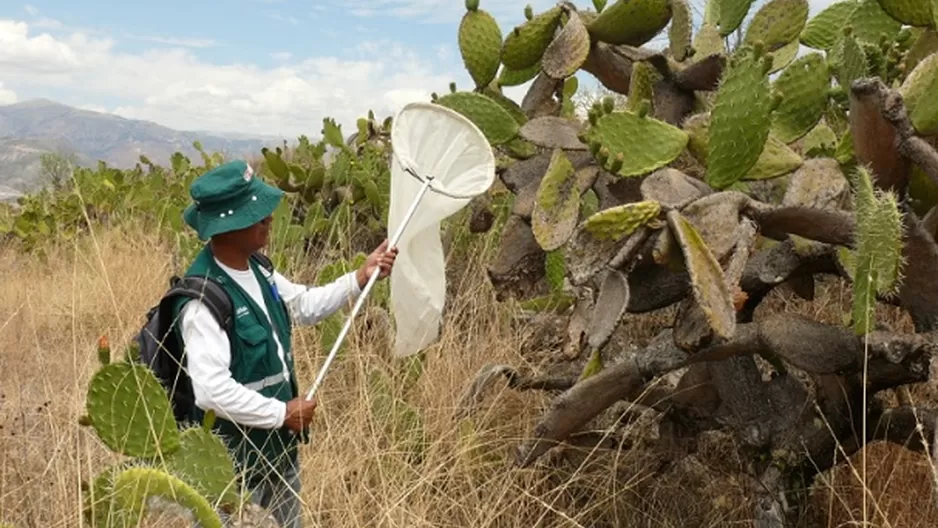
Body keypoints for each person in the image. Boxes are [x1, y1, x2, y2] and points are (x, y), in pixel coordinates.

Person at [171, 159, 397, 527]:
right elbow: (210, 391)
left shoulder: (258, 268)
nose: (268, 219)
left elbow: (303, 306)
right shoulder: (202, 301)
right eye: (256, 214)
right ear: (229, 226)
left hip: (278, 452)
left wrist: (360, 276)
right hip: (232, 469)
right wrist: (282, 414)